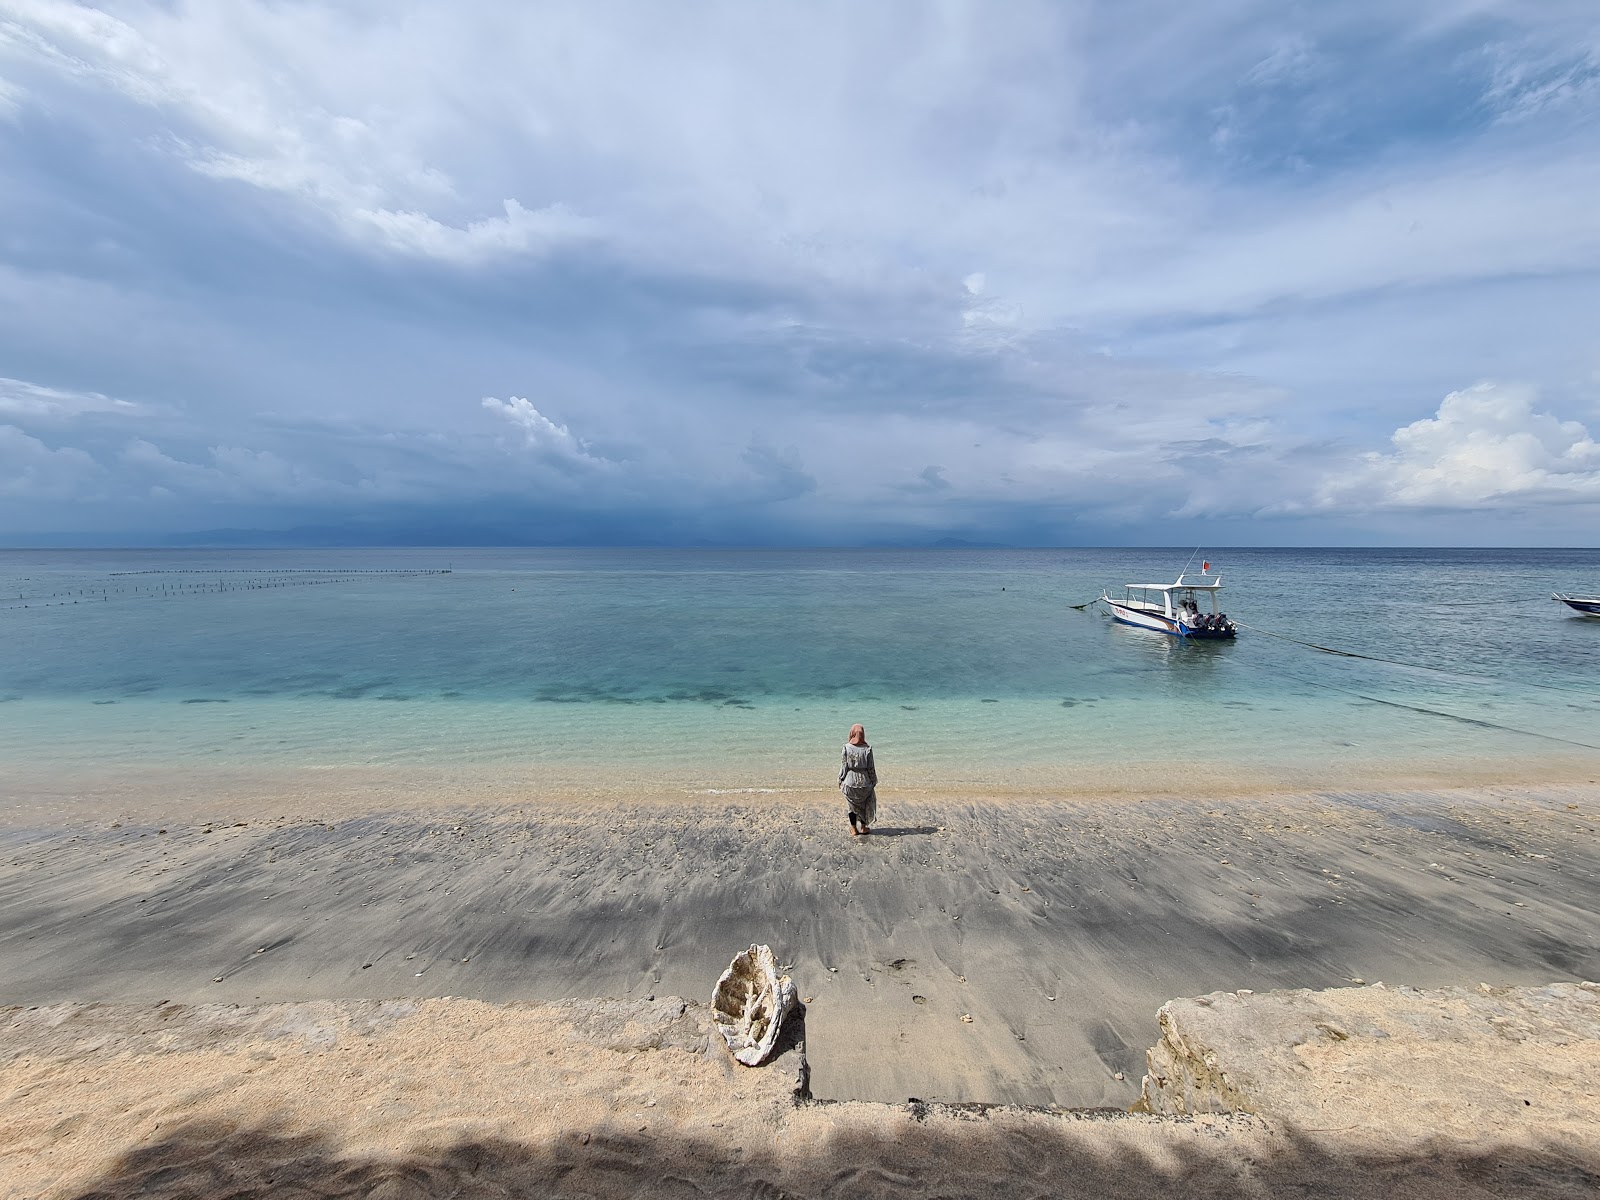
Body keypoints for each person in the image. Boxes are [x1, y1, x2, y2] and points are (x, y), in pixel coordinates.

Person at [839, 723, 877, 836]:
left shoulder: (846, 748)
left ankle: (854, 829)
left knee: (852, 807)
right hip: (865, 782)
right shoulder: (868, 749)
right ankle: (864, 827)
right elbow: (871, 768)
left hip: (850, 782)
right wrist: (873, 781)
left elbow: (844, 767)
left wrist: (840, 779)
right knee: (864, 806)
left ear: (851, 733)